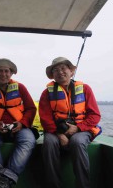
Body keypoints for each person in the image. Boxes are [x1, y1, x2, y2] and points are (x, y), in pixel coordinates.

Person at [39, 57, 101, 188]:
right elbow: (45, 118)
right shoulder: (46, 93)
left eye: (63, 68)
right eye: (55, 70)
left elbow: (95, 115)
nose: (60, 72)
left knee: (77, 142)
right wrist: (60, 134)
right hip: (56, 130)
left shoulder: (85, 89)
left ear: (71, 72)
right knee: (49, 142)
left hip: (82, 129)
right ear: (52, 75)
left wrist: (78, 128)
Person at [0, 58, 36, 188]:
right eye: (0, 71)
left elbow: (31, 109)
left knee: (29, 139)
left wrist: (22, 123)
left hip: (18, 127)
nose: (3, 74)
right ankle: (5, 180)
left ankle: (3, 178)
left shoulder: (20, 88)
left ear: (11, 74)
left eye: (6, 71)